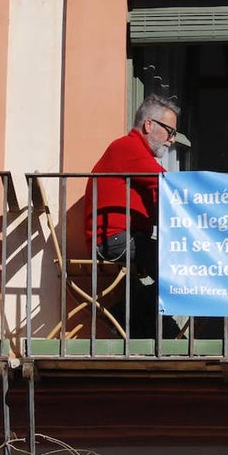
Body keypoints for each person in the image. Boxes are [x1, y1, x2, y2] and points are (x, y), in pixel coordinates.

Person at [82, 92, 181, 338]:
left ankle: (136, 318)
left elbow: (158, 195)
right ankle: (126, 314)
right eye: (170, 131)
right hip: (113, 240)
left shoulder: (136, 154)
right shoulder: (128, 147)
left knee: (171, 261)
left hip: (122, 238)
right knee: (175, 263)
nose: (172, 139)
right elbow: (165, 184)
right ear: (149, 124)